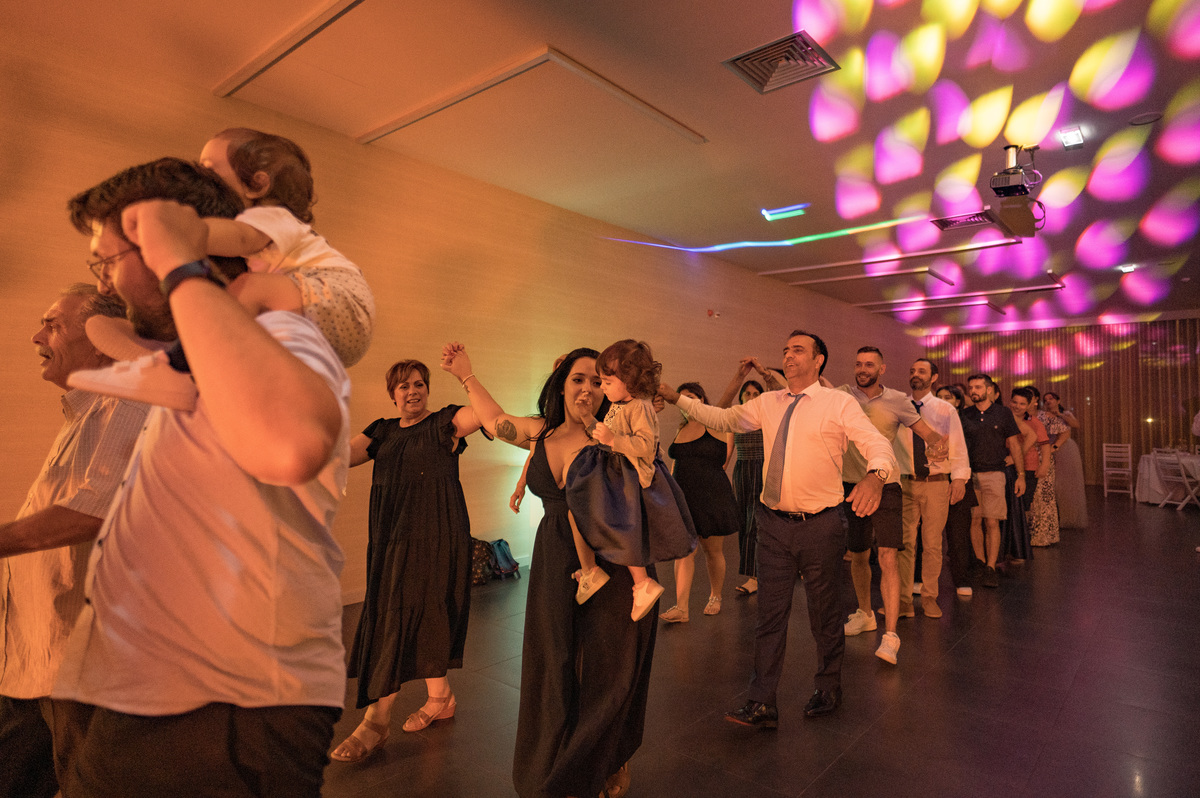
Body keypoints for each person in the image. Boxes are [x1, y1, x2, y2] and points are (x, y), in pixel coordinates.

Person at [35, 158, 351, 796]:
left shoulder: (276, 330)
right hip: (160, 692)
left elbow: (293, 443)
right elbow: (112, 331)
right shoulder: (200, 355)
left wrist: (179, 263)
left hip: (226, 709)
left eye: (108, 261)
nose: (106, 281)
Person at [441, 344, 652, 798]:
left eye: (597, 381)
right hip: (556, 555)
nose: (588, 388)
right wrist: (465, 375)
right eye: (578, 379)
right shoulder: (539, 433)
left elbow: (647, 482)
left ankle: (609, 757)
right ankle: (557, 759)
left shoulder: (611, 435)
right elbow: (495, 420)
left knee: (608, 665)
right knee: (554, 661)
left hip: (611, 558)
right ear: (561, 385)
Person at [660, 330, 897, 724]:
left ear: (819, 360)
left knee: (824, 614)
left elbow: (876, 443)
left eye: (798, 350)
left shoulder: (838, 403)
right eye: (786, 350)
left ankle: (828, 687)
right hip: (772, 523)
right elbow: (721, 417)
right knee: (768, 615)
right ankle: (762, 700)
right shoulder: (768, 403)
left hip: (821, 524)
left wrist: (876, 476)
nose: (788, 355)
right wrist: (675, 398)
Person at [70, 128, 375, 410]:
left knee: (249, 290)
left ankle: (190, 368)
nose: (204, 176)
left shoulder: (272, 217)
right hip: (326, 316)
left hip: (337, 294)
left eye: (208, 168)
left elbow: (239, 238)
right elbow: (104, 328)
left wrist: (171, 232)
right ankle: (188, 365)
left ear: (258, 183)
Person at [0, 285, 147, 798]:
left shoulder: (125, 403)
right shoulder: (85, 413)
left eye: (53, 324)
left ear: (104, 341)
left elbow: (92, 511)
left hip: (77, 659)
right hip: (35, 650)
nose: (37, 336)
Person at [330, 358, 489, 762]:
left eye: (419, 384)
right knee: (405, 613)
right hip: (392, 539)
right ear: (392, 394)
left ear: (427, 389)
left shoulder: (444, 423)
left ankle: (376, 721)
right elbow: (340, 456)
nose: (412, 391)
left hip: (438, 537)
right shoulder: (381, 431)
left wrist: (465, 374)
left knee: (412, 614)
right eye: (403, 386)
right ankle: (440, 696)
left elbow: (489, 416)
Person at [563, 340, 696, 622]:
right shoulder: (618, 405)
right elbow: (601, 434)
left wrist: (614, 439)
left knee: (623, 529)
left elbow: (646, 446)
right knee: (582, 512)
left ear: (631, 381)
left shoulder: (640, 407)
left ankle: (641, 583)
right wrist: (587, 416)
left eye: (607, 382)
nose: (602, 388)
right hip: (611, 473)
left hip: (626, 477)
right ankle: (593, 571)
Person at [833, 347, 946, 664]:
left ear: (882, 369)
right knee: (858, 555)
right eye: (858, 363)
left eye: (869, 364)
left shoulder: (897, 400)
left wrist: (939, 449)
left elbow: (927, 433)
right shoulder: (842, 395)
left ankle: (891, 635)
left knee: (887, 556)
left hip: (887, 485)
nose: (862, 369)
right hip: (851, 485)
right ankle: (865, 614)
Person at [894, 358, 970, 616]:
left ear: (934, 377)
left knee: (933, 543)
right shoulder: (900, 407)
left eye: (922, 371)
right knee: (905, 544)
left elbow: (957, 444)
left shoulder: (944, 409)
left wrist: (959, 478)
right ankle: (904, 599)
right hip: (905, 481)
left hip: (936, 483)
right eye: (912, 370)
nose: (915, 374)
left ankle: (929, 596)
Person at [658, 382, 738, 621]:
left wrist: (740, 374)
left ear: (701, 400)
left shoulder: (714, 422)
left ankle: (715, 596)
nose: (685, 402)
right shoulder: (681, 429)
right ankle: (681, 607)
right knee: (685, 552)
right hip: (684, 497)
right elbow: (676, 465)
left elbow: (727, 395)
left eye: (691, 397)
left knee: (712, 551)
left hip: (712, 496)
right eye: (681, 398)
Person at [718, 359, 784, 596]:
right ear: (742, 397)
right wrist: (718, 474)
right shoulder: (735, 418)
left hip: (763, 471)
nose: (752, 396)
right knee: (744, 523)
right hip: (742, 472)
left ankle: (758, 576)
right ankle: (753, 573)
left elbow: (783, 394)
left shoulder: (767, 418)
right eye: (748, 393)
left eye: (757, 394)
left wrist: (765, 373)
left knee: (757, 523)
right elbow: (728, 452)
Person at [960, 374, 1025, 589]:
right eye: (971, 387)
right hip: (970, 474)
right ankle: (980, 563)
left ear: (989, 390)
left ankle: (991, 566)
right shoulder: (965, 414)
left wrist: (1021, 475)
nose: (973, 391)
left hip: (995, 473)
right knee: (974, 520)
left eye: (978, 387)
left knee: (992, 521)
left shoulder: (1003, 413)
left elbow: (1014, 444)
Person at [1004, 387, 1048, 563]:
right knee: (1010, 508)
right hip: (1008, 466)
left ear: (1029, 405)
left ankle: (1021, 548)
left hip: (1028, 466)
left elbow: (1042, 443)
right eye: (1014, 402)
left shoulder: (1033, 421)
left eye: (1022, 404)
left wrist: (1044, 465)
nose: (1017, 406)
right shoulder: (1007, 416)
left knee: (1023, 507)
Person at [1028, 386, 1068, 546]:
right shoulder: (1020, 417)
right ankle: (1028, 534)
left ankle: (1044, 535)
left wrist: (1054, 447)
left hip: (1043, 459)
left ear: (1036, 400)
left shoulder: (1045, 416)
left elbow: (1065, 431)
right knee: (1030, 497)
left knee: (1044, 496)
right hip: (1025, 459)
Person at [1044, 392, 1087, 529]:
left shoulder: (1066, 413)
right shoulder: (1043, 415)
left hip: (1066, 449)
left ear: (1058, 400)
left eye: (1051, 399)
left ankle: (1069, 517)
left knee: (1067, 483)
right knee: (1053, 483)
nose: (1048, 401)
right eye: (1046, 400)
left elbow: (1076, 425)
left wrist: (1060, 415)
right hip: (1050, 447)